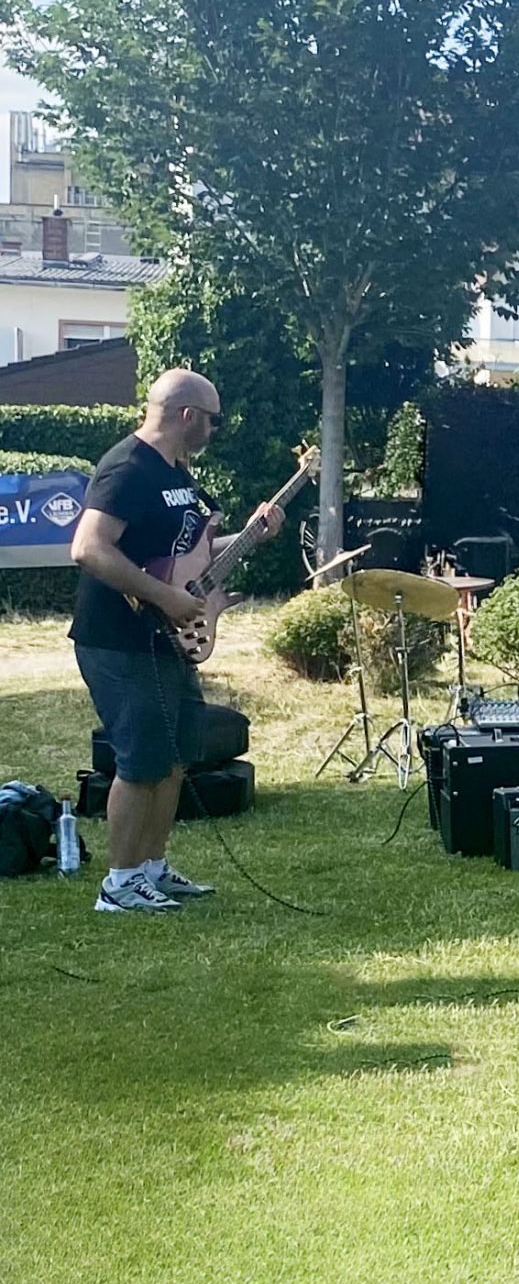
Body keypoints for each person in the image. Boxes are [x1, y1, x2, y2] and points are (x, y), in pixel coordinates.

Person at [68, 369, 283, 912]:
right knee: (140, 761)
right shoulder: (128, 466)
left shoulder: (177, 475)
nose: (215, 428)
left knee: (175, 758)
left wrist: (253, 535)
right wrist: (164, 599)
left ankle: (152, 869)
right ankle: (118, 884)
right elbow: (89, 548)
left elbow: (193, 557)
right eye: (212, 418)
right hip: (118, 638)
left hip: (167, 640)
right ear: (187, 415)